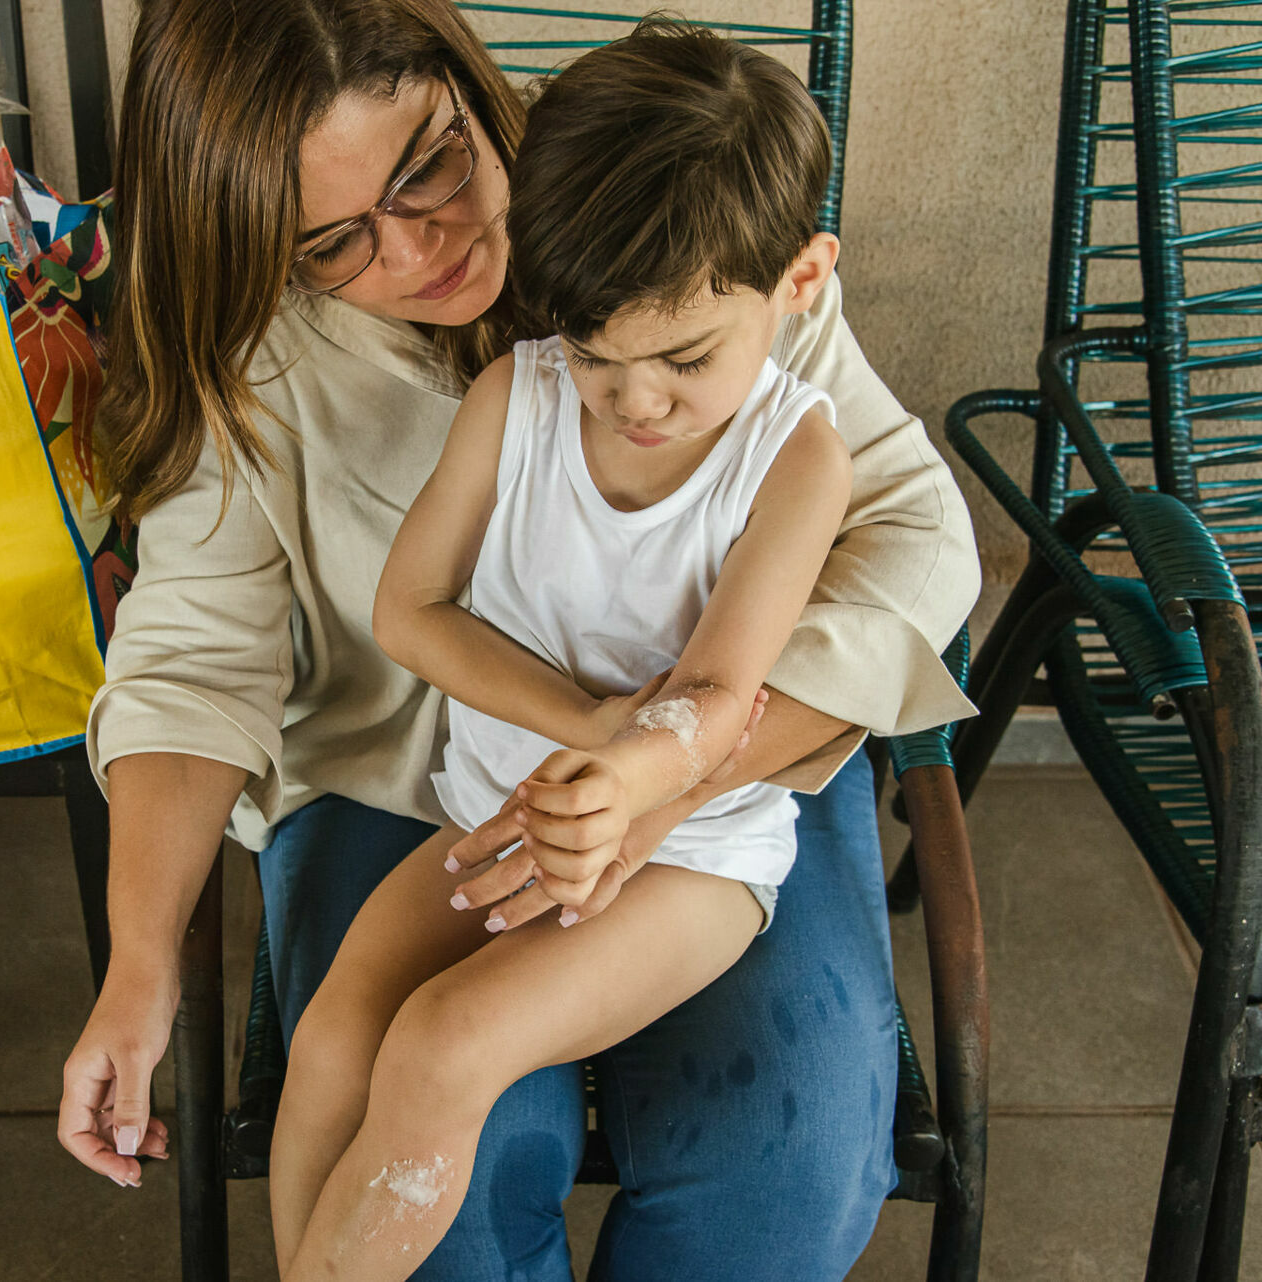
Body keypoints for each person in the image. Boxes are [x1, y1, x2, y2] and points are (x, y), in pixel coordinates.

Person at [57, 0, 979, 1274]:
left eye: (429, 166)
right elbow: (191, 661)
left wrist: (668, 771)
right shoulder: (254, 354)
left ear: (465, 83)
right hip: (402, 786)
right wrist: (141, 963)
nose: (417, 247)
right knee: (444, 1158)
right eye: (332, 239)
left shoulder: (660, 202)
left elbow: (915, 542)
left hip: (730, 765)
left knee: (785, 1158)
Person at [271, 24, 885, 1278]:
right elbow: (414, 614)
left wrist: (633, 776)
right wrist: (594, 730)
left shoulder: (798, 458)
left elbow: (716, 692)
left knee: (444, 1044)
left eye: (685, 357)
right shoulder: (523, 395)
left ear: (803, 280)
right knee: (338, 1031)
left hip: (688, 860)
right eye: (600, 353)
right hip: (500, 817)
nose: (638, 399)